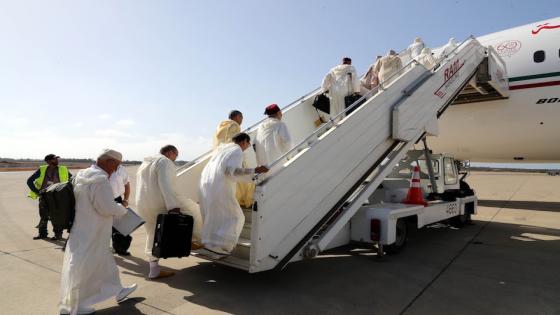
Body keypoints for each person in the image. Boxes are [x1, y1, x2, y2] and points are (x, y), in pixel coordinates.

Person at [59, 149, 137, 315]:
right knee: (86, 267)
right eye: (116, 166)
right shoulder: (100, 179)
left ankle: (118, 290)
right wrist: (122, 208)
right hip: (94, 230)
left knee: (104, 262)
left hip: (82, 227)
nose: (116, 170)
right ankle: (77, 305)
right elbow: (106, 207)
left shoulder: (83, 174)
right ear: (108, 162)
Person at [199, 133, 269, 256]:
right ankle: (222, 246)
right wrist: (255, 170)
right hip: (220, 186)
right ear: (243, 142)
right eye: (248, 144)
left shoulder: (222, 149)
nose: (247, 147)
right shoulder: (237, 150)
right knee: (236, 216)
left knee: (214, 216)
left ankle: (210, 244)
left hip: (207, 184)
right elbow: (233, 171)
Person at [135, 145, 182, 279]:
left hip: (142, 204)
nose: (175, 159)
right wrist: (173, 205)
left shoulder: (145, 163)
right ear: (170, 152)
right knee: (192, 211)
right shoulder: (163, 161)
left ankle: (154, 269)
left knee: (152, 234)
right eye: (176, 155)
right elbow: (165, 184)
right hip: (157, 204)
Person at [214, 110, 256, 208]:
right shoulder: (235, 125)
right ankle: (244, 201)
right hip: (231, 156)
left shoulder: (221, 126)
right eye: (241, 117)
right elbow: (234, 142)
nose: (242, 120)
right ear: (237, 117)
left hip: (220, 156)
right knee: (245, 178)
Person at [26, 154, 72, 240]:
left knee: (58, 216)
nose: (57, 161)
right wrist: (37, 191)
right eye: (54, 159)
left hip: (59, 196)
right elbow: (29, 181)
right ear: (48, 161)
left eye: (57, 159)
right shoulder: (42, 169)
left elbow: (71, 180)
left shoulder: (63, 169)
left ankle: (58, 235)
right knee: (43, 215)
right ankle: (42, 234)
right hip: (44, 195)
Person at [321, 57, 361, 122]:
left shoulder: (333, 69)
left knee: (335, 110)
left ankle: (335, 123)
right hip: (345, 91)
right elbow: (355, 79)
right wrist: (357, 91)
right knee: (344, 109)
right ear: (349, 62)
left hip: (333, 92)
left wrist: (325, 89)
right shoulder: (351, 68)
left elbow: (325, 78)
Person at [109, 164, 132, 256]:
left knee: (120, 226)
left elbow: (127, 185)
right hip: (102, 198)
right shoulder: (99, 168)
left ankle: (120, 248)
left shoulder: (122, 169)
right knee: (104, 225)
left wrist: (125, 199)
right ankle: (102, 248)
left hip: (117, 199)